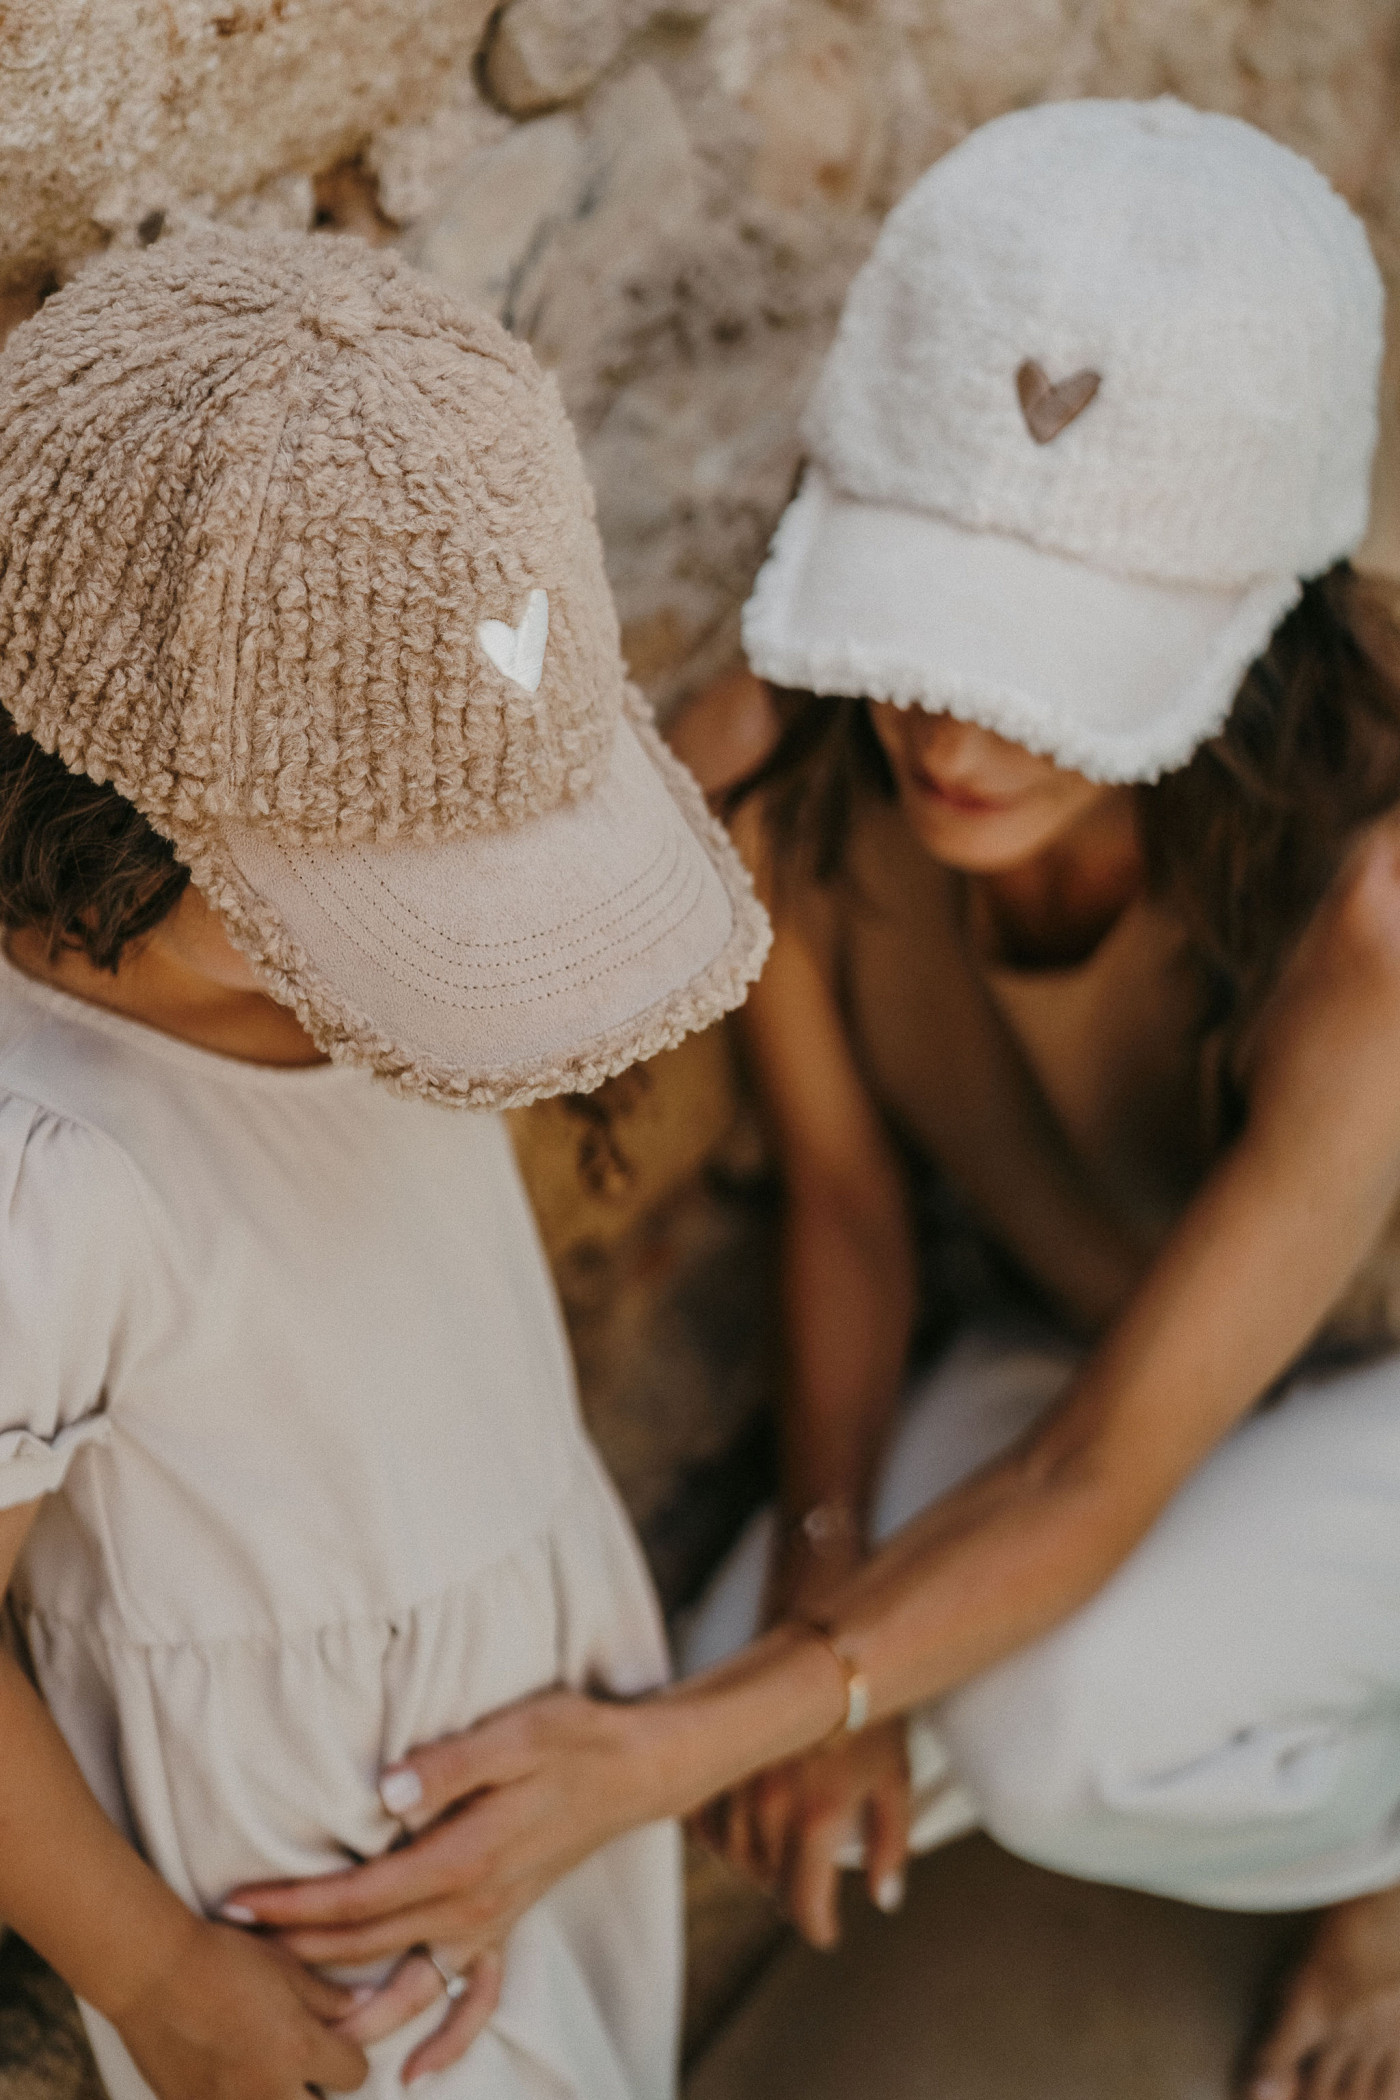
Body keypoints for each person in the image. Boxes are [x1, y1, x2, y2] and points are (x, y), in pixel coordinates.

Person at [225, 101, 1400, 2100]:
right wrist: (821, 1592)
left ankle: (1373, 1859)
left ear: (1242, 632)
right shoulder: (791, 770)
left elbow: (1097, 1478)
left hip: (1354, 1394)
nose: (943, 731)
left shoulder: (1365, 902)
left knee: (1046, 1733)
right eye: (925, 631)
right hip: (1093, 1342)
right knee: (738, 1711)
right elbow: (847, 1207)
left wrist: (747, 1715)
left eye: (1036, 664)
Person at [0, 228, 768, 2100]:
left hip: (535, 1709)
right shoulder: (54, 1163)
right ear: (114, 810)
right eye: (392, 897)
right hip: (305, 1898)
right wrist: (158, 1978)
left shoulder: (352, 987)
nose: (446, 949)